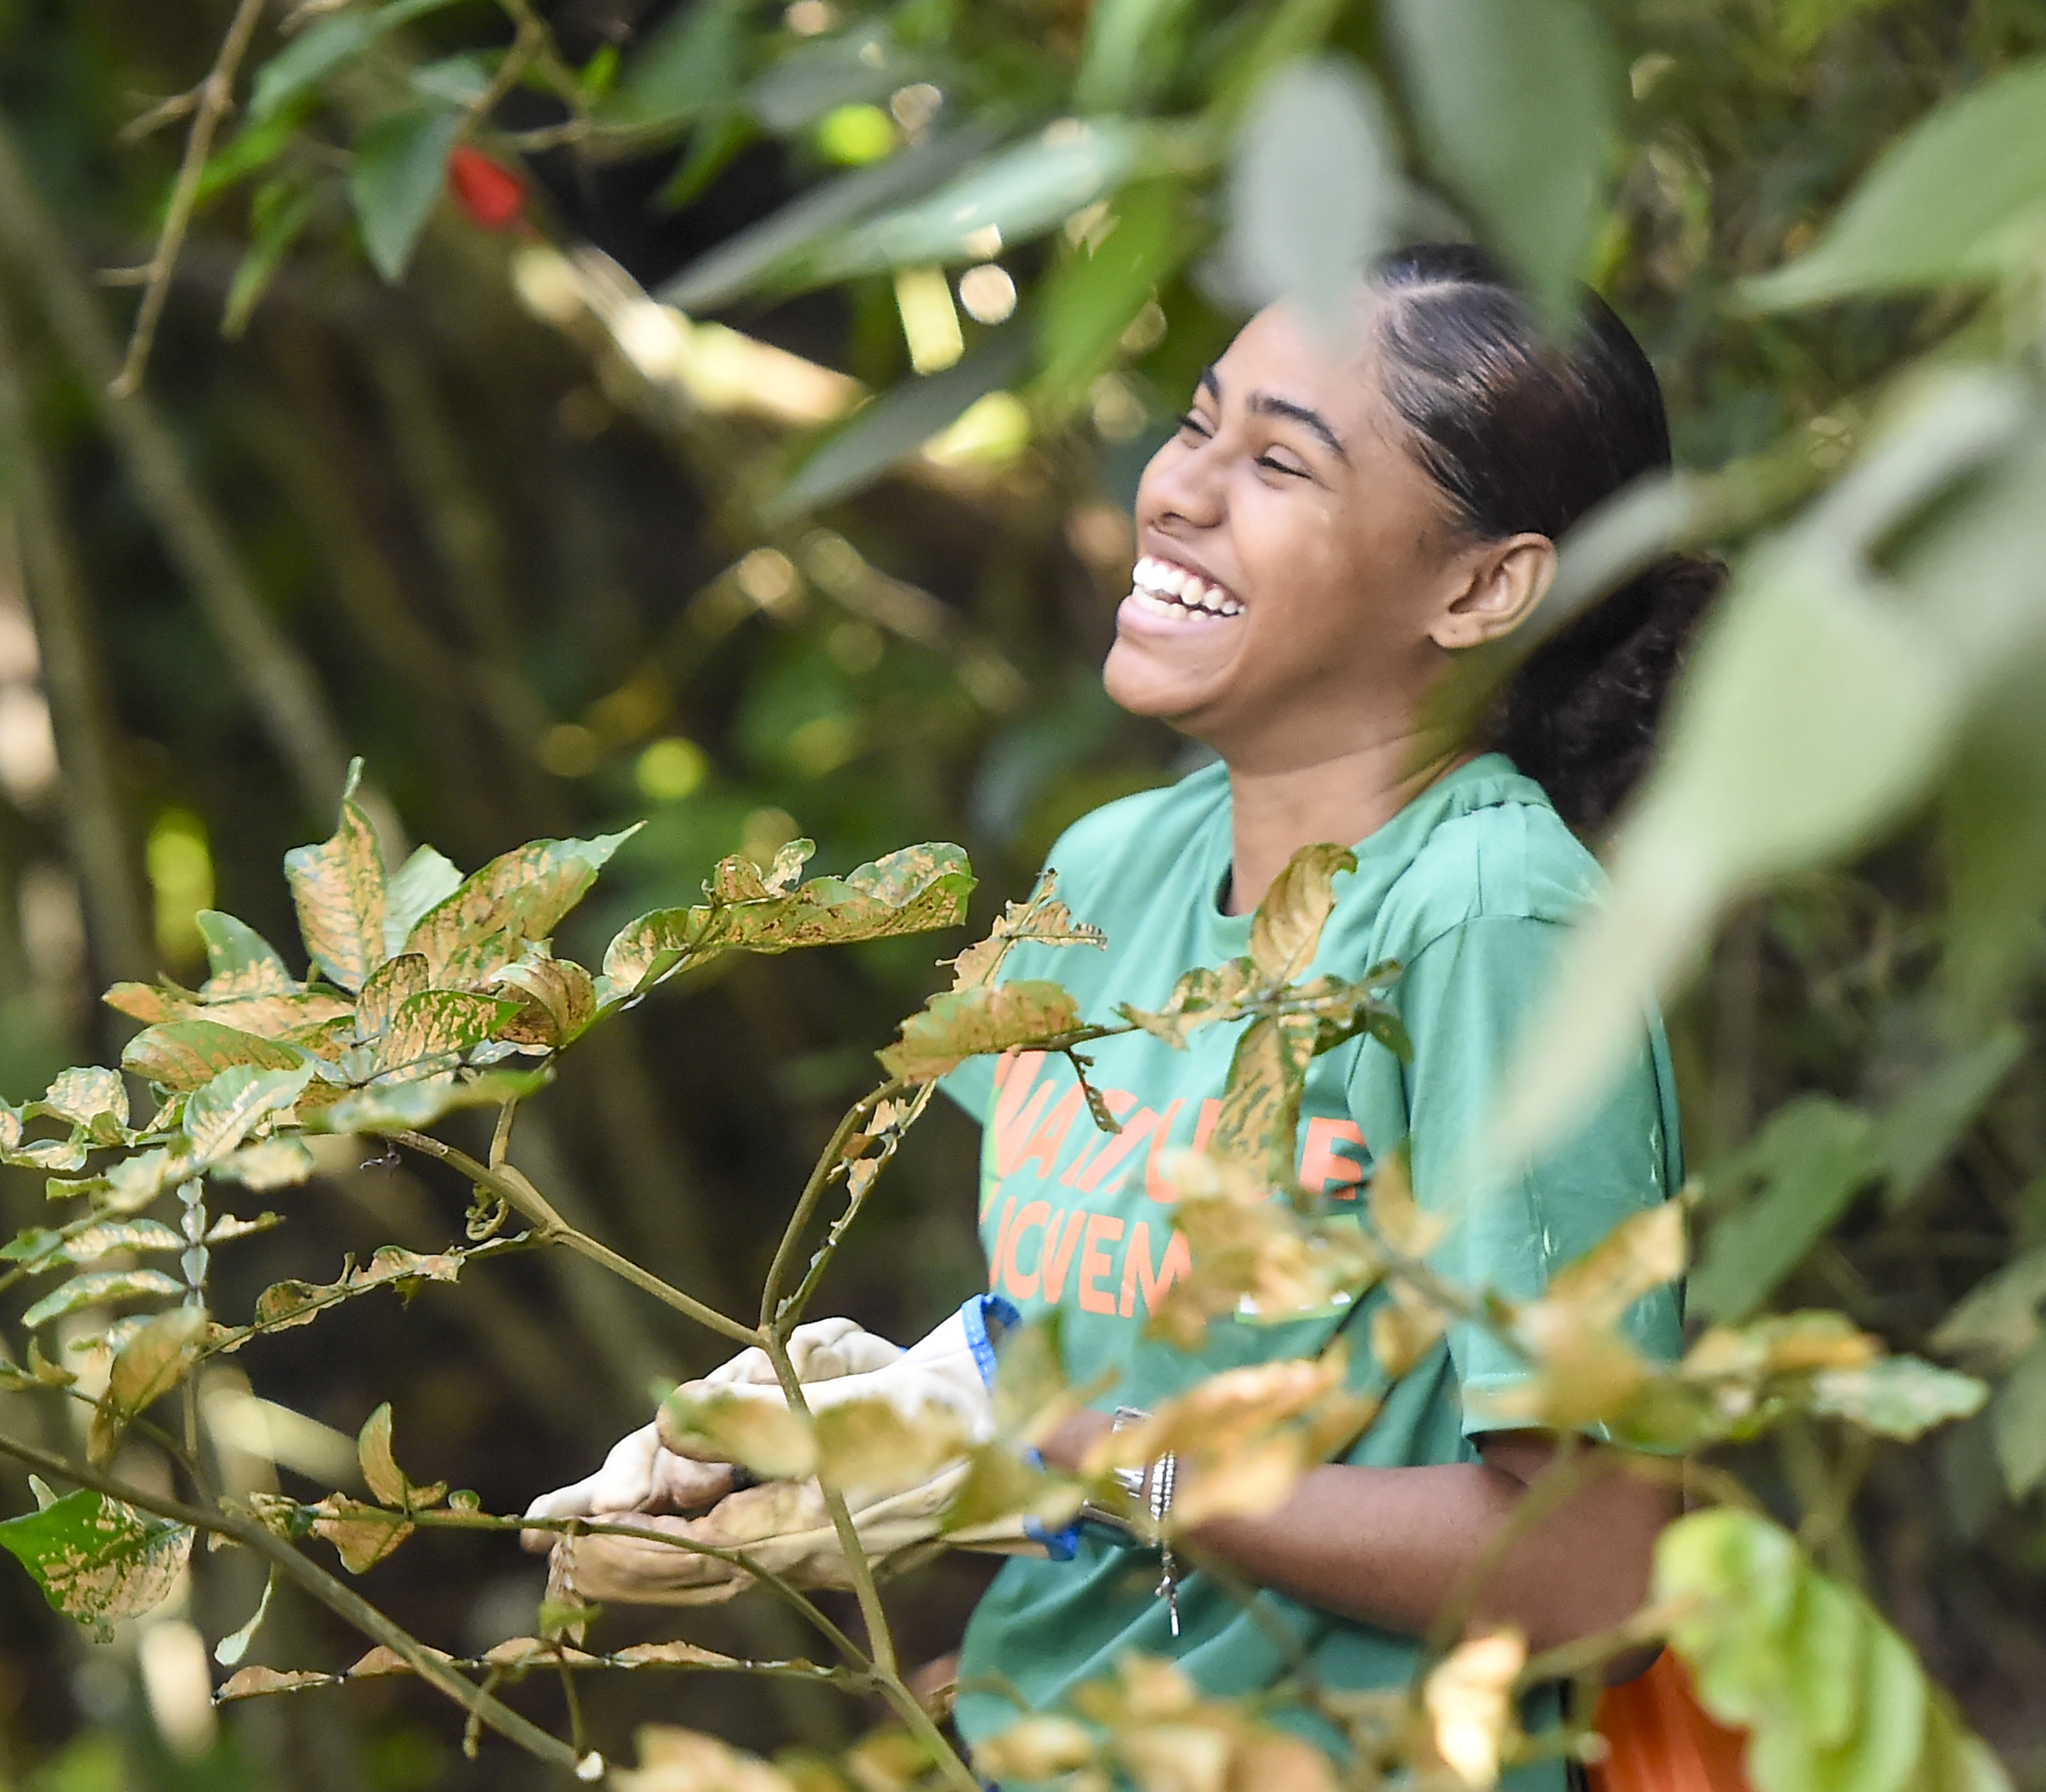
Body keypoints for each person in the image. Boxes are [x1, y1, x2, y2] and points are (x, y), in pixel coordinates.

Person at [526, 243, 1723, 1789]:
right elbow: (1094, 1372)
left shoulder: (1492, 916)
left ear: (1481, 585)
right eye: (1197, 422)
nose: (1178, 492)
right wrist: (864, 1431)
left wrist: (1051, 1450)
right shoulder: (1111, 866)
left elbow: (1592, 1577)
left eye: (1281, 460)